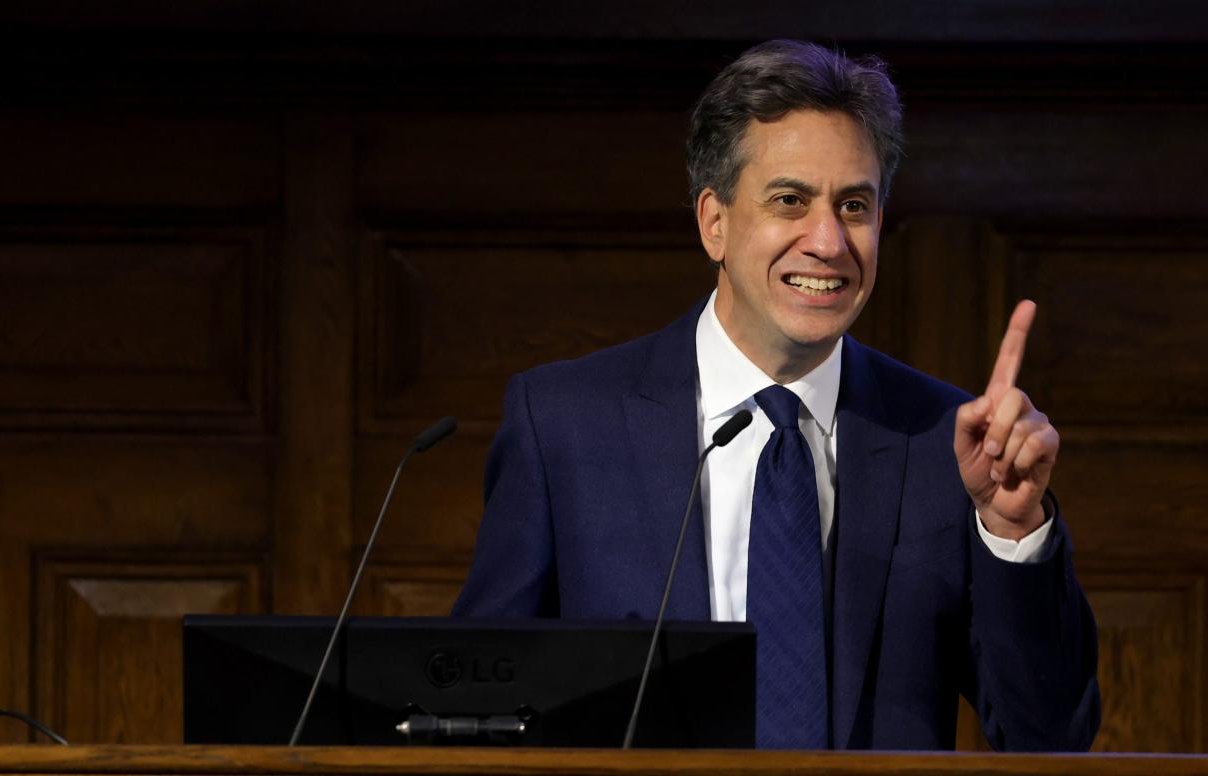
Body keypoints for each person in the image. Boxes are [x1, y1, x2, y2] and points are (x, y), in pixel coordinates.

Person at [453, 39, 1100, 751]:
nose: (826, 241)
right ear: (715, 222)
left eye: (854, 205)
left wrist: (1012, 531)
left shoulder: (945, 442)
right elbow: (481, 707)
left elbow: (1048, 736)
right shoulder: (566, 427)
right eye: (789, 200)